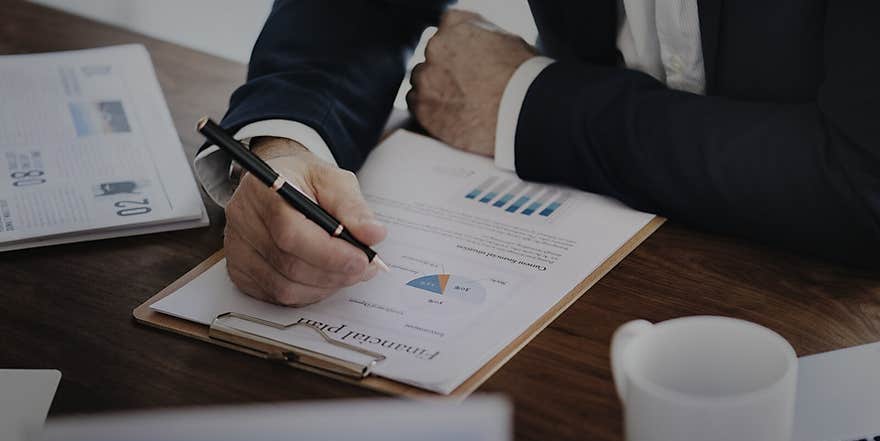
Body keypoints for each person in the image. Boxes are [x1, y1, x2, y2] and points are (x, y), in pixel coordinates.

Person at [195, 0, 880, 306]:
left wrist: (530, 102)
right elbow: (359, 9)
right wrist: (286, 148)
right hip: (580, 280)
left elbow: (862, 180)